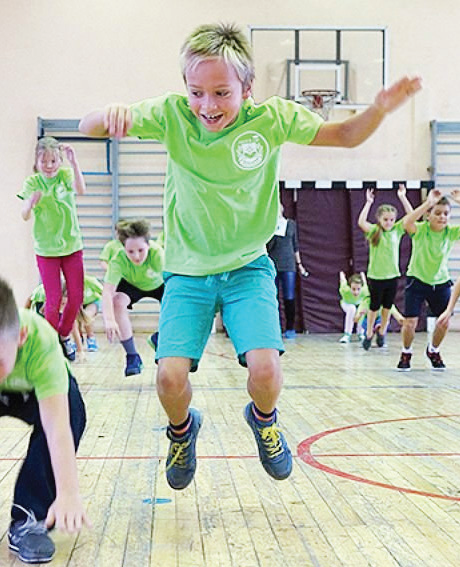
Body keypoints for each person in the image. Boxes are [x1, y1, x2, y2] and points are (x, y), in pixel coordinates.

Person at [79, 22, 420, 489]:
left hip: (247, 268)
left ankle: (264, 421)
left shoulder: (272, 119)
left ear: (247, 88)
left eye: (221, 93)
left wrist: (378, 110)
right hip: (187, 273)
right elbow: (87, 126)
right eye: (197, 92)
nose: (207, 106)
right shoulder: (173, 115)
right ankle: (182, 431)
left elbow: (344, 136)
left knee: (265, 367)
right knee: (169, 379)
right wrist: (110, 114)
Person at [0, 277, 90, 564]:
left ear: (21, 337)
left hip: (37, 390)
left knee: (73, 413)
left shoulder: (40, 339)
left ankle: (30, 517)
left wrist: (68, 492)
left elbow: (57, 428)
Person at [18, 137, 86, 362]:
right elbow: (24, 214)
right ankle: (50, 345)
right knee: (53, 299)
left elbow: (81, 190)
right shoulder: (32, 183)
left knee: (76, 297)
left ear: (60, 161)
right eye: (44, 161)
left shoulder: (66, 176)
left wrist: (74, 163)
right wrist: (30, 203)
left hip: (72, 246)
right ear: (36, 162)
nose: (49, 166)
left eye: (54, 160)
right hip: (46, 250)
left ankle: (64, 335)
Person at [397, 189, 460, 371]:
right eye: (438, 213)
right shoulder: (421, 230)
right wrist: (428, 203)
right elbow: (408, 221)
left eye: (446, 214)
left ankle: (433, 350)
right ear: (428, 215)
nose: (442, 217)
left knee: (444, 321)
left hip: (440, 283)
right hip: (417, 281)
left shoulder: (450, 232)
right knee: (410, 322)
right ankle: (406, 352)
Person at [102, 218, 164, 376]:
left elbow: (174, 283)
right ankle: (132, 356)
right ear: (124, 248)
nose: (136, 256)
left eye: (141, 250)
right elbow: (107, 291)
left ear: (148, 245)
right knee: (117, 302)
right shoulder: (118, 259)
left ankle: (160, 337)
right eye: (130, 252)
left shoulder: (158, 254)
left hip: (158, 283)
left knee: (176, 302)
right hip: (132, 284)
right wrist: (109, 320)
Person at [358, 184, 413, 350]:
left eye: (391, 219)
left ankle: (382, 331)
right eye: (385, 219)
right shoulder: (374, 230)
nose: (389, 222)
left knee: (387, 307)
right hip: (376, 276)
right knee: (374, 307)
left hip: (392, 276)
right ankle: (369, 333)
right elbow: (361, 222)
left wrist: (403, 197)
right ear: (379, 219)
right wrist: (368, 202)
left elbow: (411, 216)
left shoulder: (397, 230)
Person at [267, 208, 307, 339]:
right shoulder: (269, 225)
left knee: (289, 296)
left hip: (289, 264)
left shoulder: (290, 224)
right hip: (273, 264)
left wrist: (299, 264)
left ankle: (290, 328)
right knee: (273, 297)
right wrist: (273, 232)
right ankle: (274, 328)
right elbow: (267, 247)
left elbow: (295, 246)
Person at [338, 271, 369, 343]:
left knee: (362, 310)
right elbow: (342, 280)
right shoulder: (344, 290)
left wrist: (362, 276)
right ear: (349, 287)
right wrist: (341, 274)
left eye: (358, 289)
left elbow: (364, 283)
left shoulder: (365, 291)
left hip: (359, 304)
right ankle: (347, 334)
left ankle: (361, 333)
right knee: (352, 309)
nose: (356, 292)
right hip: (346, 303)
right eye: (353, 289)